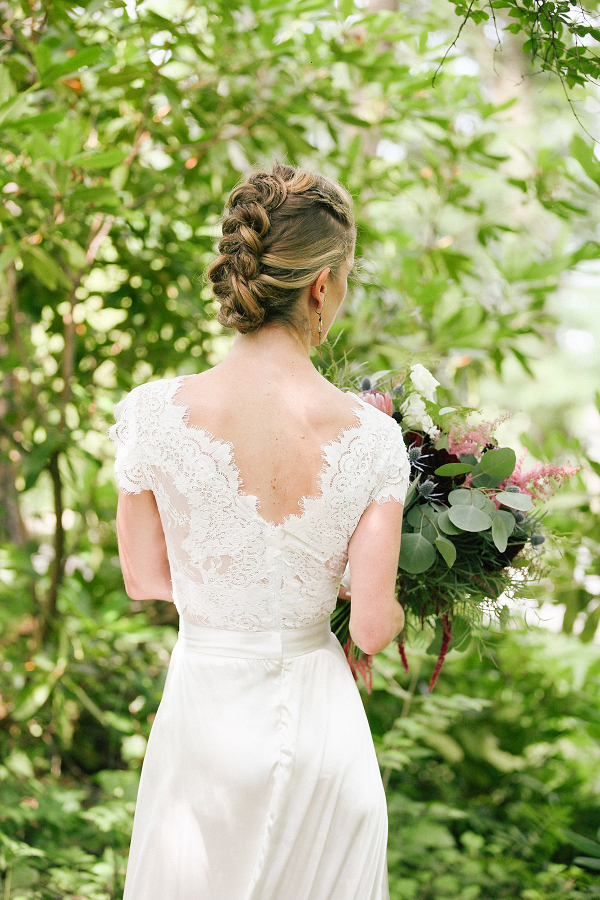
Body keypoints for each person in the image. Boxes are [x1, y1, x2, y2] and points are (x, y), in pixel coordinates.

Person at [108, 161, 410, 900]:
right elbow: (371, 629)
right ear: (320, 284)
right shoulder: (371, 440)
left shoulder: (151, 414)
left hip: (205, 726)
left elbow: (145, 578)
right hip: (322, 734)